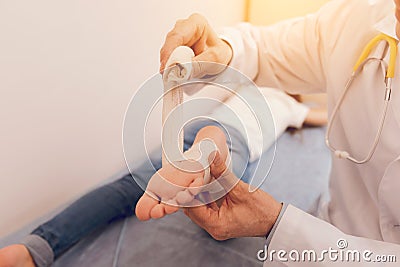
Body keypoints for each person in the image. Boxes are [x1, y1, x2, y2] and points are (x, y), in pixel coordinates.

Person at [136, 0, 400, 265]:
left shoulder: (290, 107)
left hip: (231, 143)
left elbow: (314, 116)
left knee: (160, 183)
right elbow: (266, 50)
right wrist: (223, 52)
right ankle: (210, 142)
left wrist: (276, 223)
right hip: (223, 136)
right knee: (175, 179)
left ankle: (211, 142)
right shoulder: (361, 17)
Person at [0, 79, 324, 266]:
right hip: (237, 138)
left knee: (128, 188)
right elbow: (321, 119)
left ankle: (35, 246)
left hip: (198, 126)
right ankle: (211, 150)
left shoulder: (243, 90)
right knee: (224, 197)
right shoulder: (289, 103)